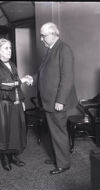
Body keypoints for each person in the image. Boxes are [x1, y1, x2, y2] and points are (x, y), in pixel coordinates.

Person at [32, 22, 78, 175]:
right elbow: (45, 73)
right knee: (53, 131)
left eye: (43, 36)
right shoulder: (51, 50)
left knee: (58, 132)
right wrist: (32, 78)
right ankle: (57, 158)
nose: (41, 39)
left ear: (53, 34)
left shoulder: (64, 49)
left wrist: (60, 101)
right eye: (41, 36)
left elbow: (67, 78)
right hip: (48, 101)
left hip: (56, 102)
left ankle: (63, 164)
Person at [0, 38, 32, 171]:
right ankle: (5, 159)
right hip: (2, 104)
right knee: (4, 131)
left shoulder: (12, 64)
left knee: (15, 130)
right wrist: (21, 81)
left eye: (10, 48)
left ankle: (13, 156)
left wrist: (22, 101)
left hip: (14, 102)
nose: (9, 51)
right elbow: (2, 85)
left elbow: (16, 83)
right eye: (6, 48)